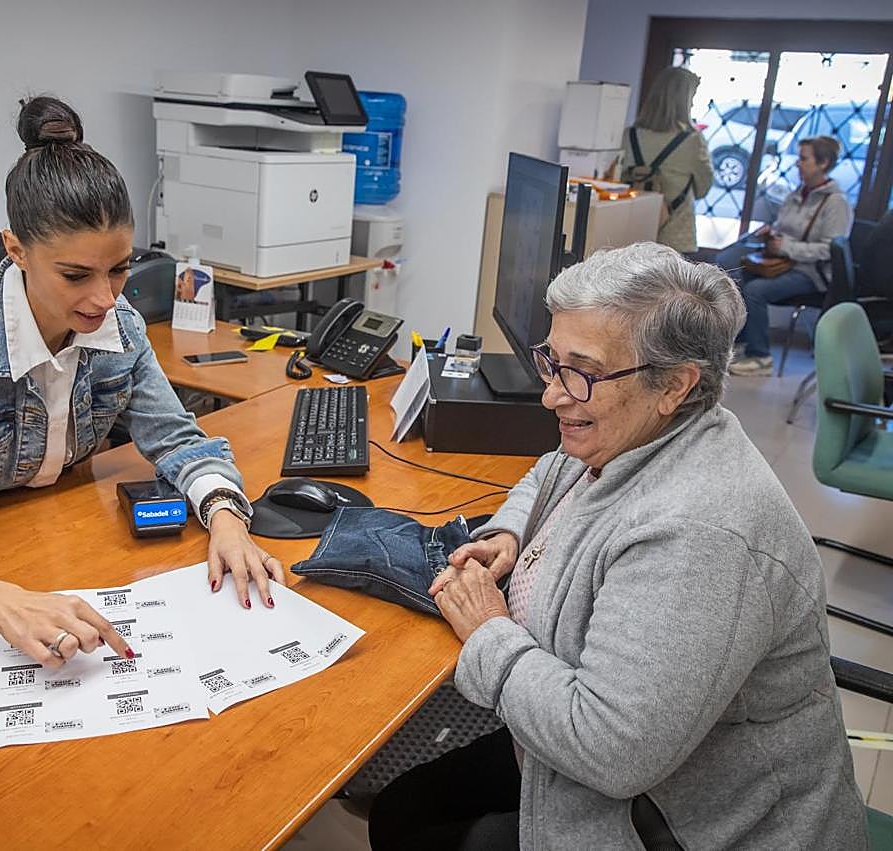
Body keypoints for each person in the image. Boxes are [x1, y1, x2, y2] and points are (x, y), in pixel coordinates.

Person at [367, 243, 866, 849]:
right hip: (600, 766)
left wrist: (489, 631)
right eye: (550, 362)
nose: (552, 395)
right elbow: (553, 468)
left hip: (687, 822)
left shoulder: (697, 536)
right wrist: (509, 530)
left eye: (580, 373)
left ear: (675, 385)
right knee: (401, 810)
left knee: (411, 831)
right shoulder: (635, 436)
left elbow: (611, 750)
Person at [0, 95, 283, 667]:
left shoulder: (123, 329)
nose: (104, 298)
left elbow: (180, 440)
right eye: (75, 275)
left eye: (119, 269)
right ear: (16, 249)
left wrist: (227, 520)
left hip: (51, 543)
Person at [718, 135, 852, 375]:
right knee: (732, 272)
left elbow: (829, 249)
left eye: (804, 158)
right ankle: (738, 342)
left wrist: (787, 246)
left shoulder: (835, 203)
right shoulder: (796, 194)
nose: (798, 163)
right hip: (782, 263)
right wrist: (772, 234)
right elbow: (784, 226)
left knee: (756, 290)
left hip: (811, 272)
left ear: (823, 163)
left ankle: (761, 357)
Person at [619, 66, 714, 254]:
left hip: (631, 233)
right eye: (692, 99)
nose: (693, 105)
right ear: (684, 102)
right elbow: (703, 189)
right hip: (674, 237)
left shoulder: (629, 136)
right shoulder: (693, 141)